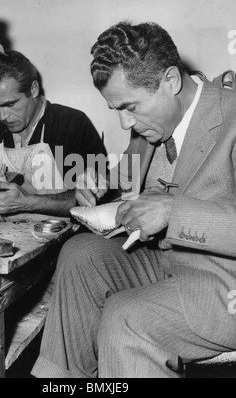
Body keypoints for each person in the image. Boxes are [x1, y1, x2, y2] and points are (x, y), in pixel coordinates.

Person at [31, 21, 236, 378]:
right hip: (170, 265)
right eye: (117, 111)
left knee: (125, 317)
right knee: (81, 254)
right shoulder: (151, 128)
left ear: (171, 81)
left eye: (130, 107)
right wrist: (97, 179)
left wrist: (172, 212)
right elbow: (127, 172)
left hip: (224, 286)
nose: (125, 123)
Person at [0, 50, 104, 216]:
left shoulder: (71, 124)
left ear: (33, 89)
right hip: (6, 235)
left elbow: (95, 198)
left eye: (10, 104)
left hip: (64, 237)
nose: (3, 116)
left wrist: (27, 202)